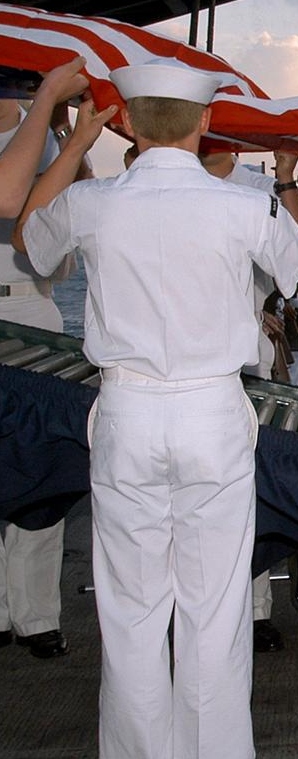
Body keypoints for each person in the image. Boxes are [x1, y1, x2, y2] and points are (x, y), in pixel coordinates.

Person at [13, 59, 298, 759]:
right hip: (212, 413)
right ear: (207, 121)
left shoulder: (95, 204)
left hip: (127, 412)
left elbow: (27, 240)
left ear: (123, 122)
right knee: (214, 610)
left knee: (130, 611)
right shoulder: (246, 206)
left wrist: (73, 144)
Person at [198, 147, 298, 652]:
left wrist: (288, 179)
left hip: (249, 356)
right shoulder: (164, 178)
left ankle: (257, 608)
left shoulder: (262, 188)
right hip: (188, 354)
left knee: (251, 490)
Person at [0, 88, 83, 660]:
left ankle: (35, 616)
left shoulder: (46, 135)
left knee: (43, 460)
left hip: (31, 303)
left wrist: (68, 135)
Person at [0, 57, 88, 216]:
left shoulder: (49, 132)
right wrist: (49, 93)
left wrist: (62, 127)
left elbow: (86, 198)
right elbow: (6, 200)